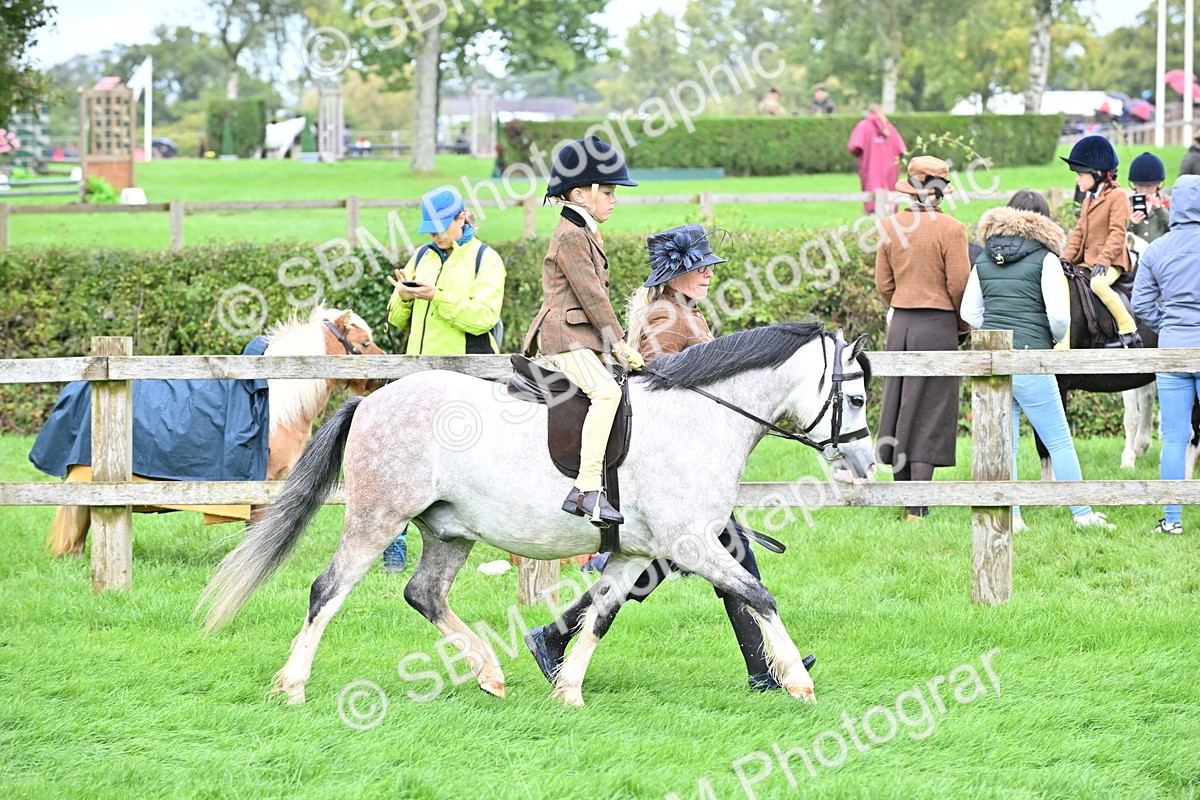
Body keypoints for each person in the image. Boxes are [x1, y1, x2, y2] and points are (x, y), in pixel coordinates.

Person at [524, 224, 816, 692]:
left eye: (708, 267)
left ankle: (555, 636)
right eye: (698, 267)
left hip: (684, 468)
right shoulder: (665, 316)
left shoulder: (685, 311)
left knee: (663, 559)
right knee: (723, 556)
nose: (707, 274)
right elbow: (654, 382)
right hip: (667, 465)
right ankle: (765, 669)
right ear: (676, 273)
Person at [961, 190, 1115, 531]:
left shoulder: (985, 258)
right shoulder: (1045, 259)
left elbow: (968, 312)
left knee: (1007, 441)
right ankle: (1083, 514)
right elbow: (1060, 317)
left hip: (993, 361)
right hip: (1031, 357)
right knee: (1058, 437)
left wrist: (995, 323)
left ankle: (1012, 517)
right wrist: (1052, 338)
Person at [380, 187, 507, 571]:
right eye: (429, 229)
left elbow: (483, 317)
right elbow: (395, 320)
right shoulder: (421, 256)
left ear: (462, 218)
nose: (434, 236)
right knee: (398, 454)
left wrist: (437, 296)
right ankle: (393, 541)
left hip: (465, 375)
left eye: (441, 228)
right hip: (416, 372)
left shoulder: (487, 260)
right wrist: (403, 296)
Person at [522, 136, 643, 526]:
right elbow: (592, 295)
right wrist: (620, 344)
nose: (614, 199)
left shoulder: (583, 228)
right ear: (581, 193)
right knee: (606, 393)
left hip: (579, 338)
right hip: (564, 338)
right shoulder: (573, 234)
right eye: (607, 192)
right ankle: (587, 489)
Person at [874, 156, 969, 520]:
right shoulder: (952, 229)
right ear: (941, 192)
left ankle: (904, 498)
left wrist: (901, 303)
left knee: (899, 403)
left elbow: (884, 284)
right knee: (931, 408)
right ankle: (918, 506)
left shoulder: (888, 225)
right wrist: (962, 327)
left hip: (901, 323)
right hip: (938, 324)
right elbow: (958, 286)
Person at [1133, 174, 1200, 535]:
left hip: (1173, 348)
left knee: (1174, 436)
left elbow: (1141, 304)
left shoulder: (1157, 249)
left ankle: (1172, 520)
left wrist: (1169, 324)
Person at [1061, 135, 1141, 348]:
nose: (1077, 179)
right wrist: (1065, 259)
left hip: (1112, 261)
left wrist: (1104, 261)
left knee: (1098, 283)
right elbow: (1078, 234)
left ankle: (1128, 328)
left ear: (1097, 174)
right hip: (1089, 261)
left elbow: (1117, 234)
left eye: (1080, 174)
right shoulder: (1089, 199)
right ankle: (1063, 341)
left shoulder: (1119, 197)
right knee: (1062, 282)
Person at [848, 106, 906, 214]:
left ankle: (872, 211)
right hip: (890, 170)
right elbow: (902, 150)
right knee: (890, 200)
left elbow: (854, 147)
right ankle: (890, 213)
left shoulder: (863, 126)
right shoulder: (889, 128)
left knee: (872, 194)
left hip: (871, 168)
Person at [1127, 152, 1172, 246]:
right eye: (1140, 186)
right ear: (1134, 185)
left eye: (1150, 186)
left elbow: (1176, 229)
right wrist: (1131, 223)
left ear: (1158, 184)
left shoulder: (1169, 202)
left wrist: (1160, 210)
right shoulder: (1126, 203)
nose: (1145, 191)